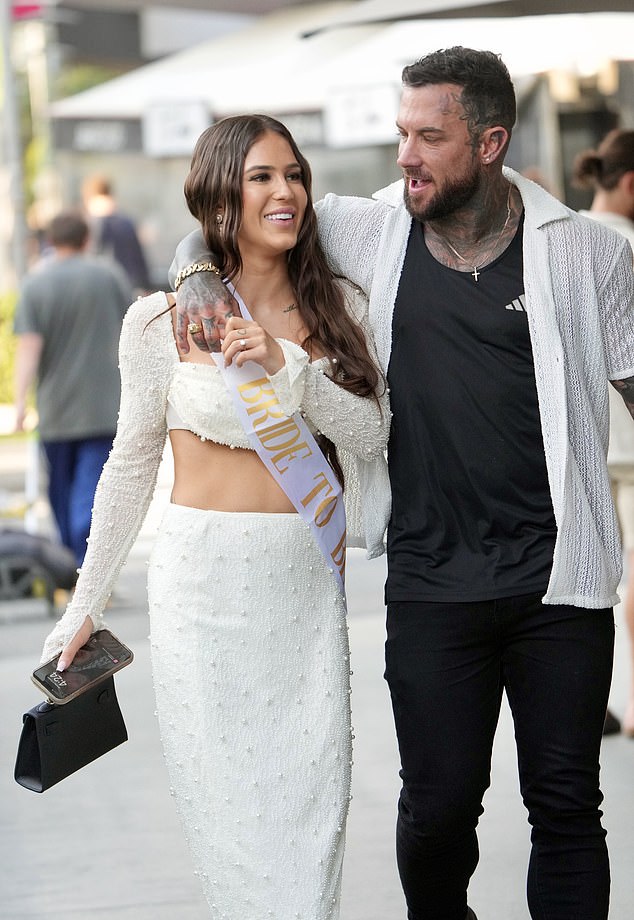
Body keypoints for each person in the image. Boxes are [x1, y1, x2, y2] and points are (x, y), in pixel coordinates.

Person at [171, 48, 634, 920]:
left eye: (430, 136)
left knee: (569, 807)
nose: (406, 156)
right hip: (430, 582)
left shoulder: (585, 256)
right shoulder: (371, 229)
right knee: (439, 812)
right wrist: (195, 271)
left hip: (559, 583)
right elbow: (225, 215)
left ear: (491, 142)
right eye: (401, 133)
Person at [39, 115, 390, 919]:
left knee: (308, 811)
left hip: (299, 583)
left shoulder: (338, 305)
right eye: (262, 175)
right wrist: (84, 605)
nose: (286, 192)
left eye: (294, 174)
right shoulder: (159, 322)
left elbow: (372, 435)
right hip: (199, 588)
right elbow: (129, 466)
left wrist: (287, 365)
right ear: (219, 193)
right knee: (230, 818)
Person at [14, 210, 131, 567]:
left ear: (50, 241)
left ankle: (71, 563)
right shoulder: (109, 276)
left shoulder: (35, 285)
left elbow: (29, 348)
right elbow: (134, 329)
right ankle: (86, 563)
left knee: (62, 491)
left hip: (57, 410)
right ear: (86, 239)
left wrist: (20, 404)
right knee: (94, 487)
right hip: (104, 405)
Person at [573, 128, 634, 737]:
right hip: (631, 448)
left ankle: (609, 700)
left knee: (597, 581)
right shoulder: (625, 246)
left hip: (587, 443)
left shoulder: (564, 239)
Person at [81, 174, 152, 295]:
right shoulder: (126, 221)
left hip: (101, 289)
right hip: (131, 286)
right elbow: (139, 259)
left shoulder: (91, 223)